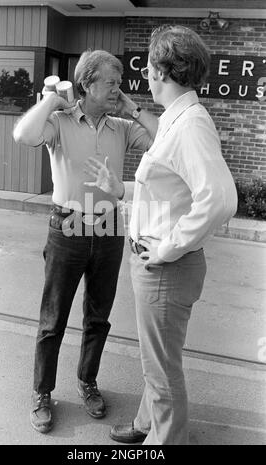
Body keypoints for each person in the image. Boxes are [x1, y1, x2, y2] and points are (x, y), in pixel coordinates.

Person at [87, 26, 238, 445]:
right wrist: (122, 192)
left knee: (162, 369)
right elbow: (171, 192)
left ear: (161, 71)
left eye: (148, 67)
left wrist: (170, 247)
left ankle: (163, 442)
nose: (145, 75)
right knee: (155, 360)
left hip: (166, 269)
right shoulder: (177, 119)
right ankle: (143, 425)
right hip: (156, 264)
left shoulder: (190, 125)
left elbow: (220, 199)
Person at [13, 49, 158, 434]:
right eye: (111, 82)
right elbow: (23, 134)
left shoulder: (121, 127)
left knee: (98, 317)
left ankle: (87, 382)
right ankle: (42, 392)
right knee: (53, 318)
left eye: (120, 82)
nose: (118, 88)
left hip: (109, 229)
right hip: (67, 228)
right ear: (87, 83)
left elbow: (162, 140)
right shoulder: (58, 123)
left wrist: (131, 105)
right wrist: (50, 102)